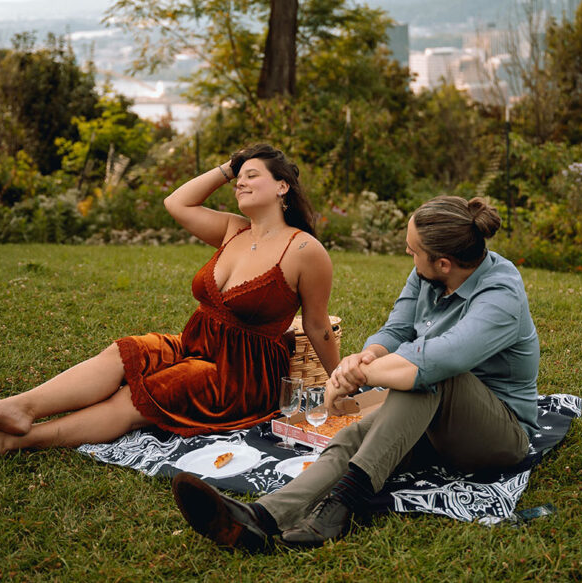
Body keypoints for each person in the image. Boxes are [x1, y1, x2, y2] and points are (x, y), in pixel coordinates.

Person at [172, 195, 540, 549]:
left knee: (432, 377)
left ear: (444, 262)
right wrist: (361, 359)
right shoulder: (427, 275)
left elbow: (436, 361)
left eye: (414, 251)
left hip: (498, 435)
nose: (409, 256)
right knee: (351, 439)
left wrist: (357, 377)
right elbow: (396, 332)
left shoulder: (501, 295)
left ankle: (343, 504)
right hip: (432, 420)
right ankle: (260, 517)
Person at [0, 144, 340, 457]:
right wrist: (229, 166)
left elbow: (318, 326)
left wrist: (342, 385)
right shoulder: (232, 230)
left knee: (141, 393)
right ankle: (23, 407)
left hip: (240, 375)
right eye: (237, 179)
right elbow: (177, 203)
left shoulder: (305, 250)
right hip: (196, 346)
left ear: (283, 186)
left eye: (251, 176)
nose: (239, 183)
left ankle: (20, 440)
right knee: (126, 352)